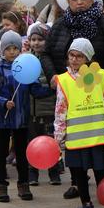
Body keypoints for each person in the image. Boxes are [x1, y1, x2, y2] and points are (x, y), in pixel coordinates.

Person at [0, 31, 52, 202]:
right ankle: (0, 186)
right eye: (9, 48)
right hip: (3, 120)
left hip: (21, 119)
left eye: (15, 48)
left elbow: (35, 90)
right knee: (1, 153)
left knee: (22, 153)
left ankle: (24, 184)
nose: (12, 52)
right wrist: (3, 102)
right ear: (3, 50)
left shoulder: (25, 68)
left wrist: (52, 89)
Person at [54, 38, 104, 208]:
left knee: (103, 171)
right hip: (76, 136)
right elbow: (60, 108)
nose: (74, 59)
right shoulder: (63, 80)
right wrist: (59, 136)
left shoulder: (102, 76)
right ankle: (86, 204)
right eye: (72, 55)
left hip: (99, 135)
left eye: (79, 56)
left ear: (88, 58)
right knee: (79, 173)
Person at [26, 23, 61, 186]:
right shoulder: (27, 59)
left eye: (40, 39)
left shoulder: (51, 61)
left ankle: (54, 173)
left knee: (51, 142)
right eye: (33, 39)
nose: (36, 43)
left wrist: (46, 92)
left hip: (50, 108)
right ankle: (33, 174)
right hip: (33, 110)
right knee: (33, 142)